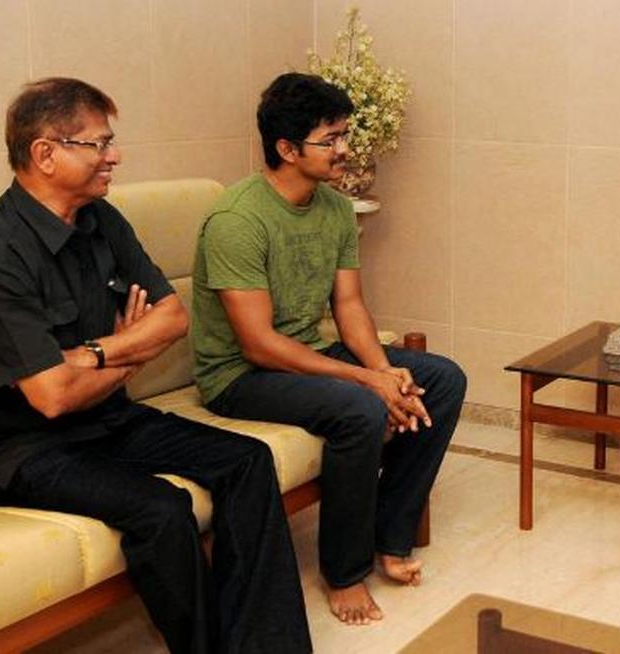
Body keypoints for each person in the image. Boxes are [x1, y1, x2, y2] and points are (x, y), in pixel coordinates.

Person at [0, 77, 311, 653]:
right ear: (45, 153)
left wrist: (96, 356)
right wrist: (122, 349)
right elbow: (52, 397)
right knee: (163, 508)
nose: (114, 156)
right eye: (98, 144)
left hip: (106, 421)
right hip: (19, 449)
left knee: (248, 461)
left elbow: (172, 318)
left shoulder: (101, 221)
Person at [190, 73, 467, 626]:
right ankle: (343, 573)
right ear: (287, 149)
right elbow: (259, 344)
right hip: (241, 376)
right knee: (360, 408)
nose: (344, 150)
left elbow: (350, 307)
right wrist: (367, 383)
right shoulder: (237, 220)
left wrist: (386, 370)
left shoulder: (336, 209)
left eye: (344, 135)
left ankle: (391, 537)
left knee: (441, 378)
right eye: (330, 139)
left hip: (308, 354)